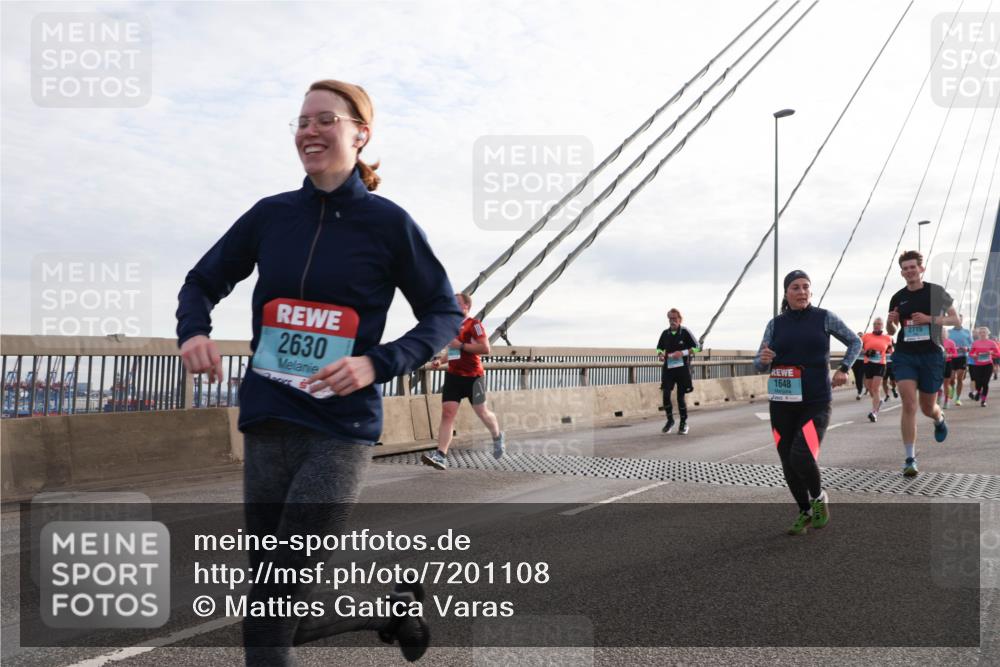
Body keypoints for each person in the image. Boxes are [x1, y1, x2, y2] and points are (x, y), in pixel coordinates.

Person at [177, 79, 462, 665]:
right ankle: (395, 611)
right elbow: (201, 281)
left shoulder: (389, 225)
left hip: (339, 431)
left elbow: (442, 313)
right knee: (278, 607)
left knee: (270, 607)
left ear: (361, 134)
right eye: (302, 121)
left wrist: (376, 363)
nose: (309, 131)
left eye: (324, 120)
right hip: (267, 423)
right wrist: (194, 332)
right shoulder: (270, 216)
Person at [754, 270, 861, 535]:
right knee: (787, 460)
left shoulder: (824, 318)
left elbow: (855, 341)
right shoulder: (775, 324)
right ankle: (804, 512)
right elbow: (758, 364)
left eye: (805, 287)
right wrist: (764, 360)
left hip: (816, 401)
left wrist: (844, 368)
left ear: (811, 292)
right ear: (786, 293)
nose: (801, 292)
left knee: (802, 454)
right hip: (782, 402)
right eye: (795, 288)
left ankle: (818, 498)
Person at [885, 250, 960, 477]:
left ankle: (939, 418)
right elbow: (892, 331)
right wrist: (891, 323)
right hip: (905, 354)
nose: (909, 271)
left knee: (927, 408)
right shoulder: (898, 297)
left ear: (921, 269)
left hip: (931, 355)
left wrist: (929, 319)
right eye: (905, 268)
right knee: (909, 404)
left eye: (913, 267)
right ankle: (910, 458)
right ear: (902, 272)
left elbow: (956, 320)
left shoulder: (936, 292)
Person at [422, 292, 505, 470]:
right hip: (454, 376)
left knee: (482, 412)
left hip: (474, 377)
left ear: (466, 307)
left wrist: (460, 345)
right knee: (447, 413)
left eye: (456, 302)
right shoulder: (452, 327)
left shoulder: (475, 325)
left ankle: (497, 436)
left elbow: (485, 348)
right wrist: (440, 361)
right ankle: (441, 455)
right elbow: (454, 352)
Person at [656, 308, 700, 435]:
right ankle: (670, 420)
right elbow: (659, 348)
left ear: (680, 319)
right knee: (665, 396)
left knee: (680, 397)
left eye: (674, 318)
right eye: (670, 318)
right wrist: (660, 355)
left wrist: (682, 352)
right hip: (668, 370)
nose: (672, 321)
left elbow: (698, 348)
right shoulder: (665, 333)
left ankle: (683, 423)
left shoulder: (685, 332)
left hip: (682, 370)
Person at [861, 319, 892, 422]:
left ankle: (874, 413)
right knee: (870, 388)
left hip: (880, 364)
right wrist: (866, 352)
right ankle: (879, 402)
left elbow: (891, 350)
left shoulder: (887, 338)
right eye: (875, 324)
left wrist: (892, 354)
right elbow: (859, 348)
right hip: (868, 363)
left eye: (879, 324)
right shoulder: (866, 336)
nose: (876, 325)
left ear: (882, 326)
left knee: (875, 388)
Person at [968, 326, 1000, 406]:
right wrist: (974, 355)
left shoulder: (992, 343)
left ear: (987, 334)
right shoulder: (975, 343)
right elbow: (970, 353)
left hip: (988, 365)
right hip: (978, 365)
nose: (982, 334)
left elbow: (998, 353)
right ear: (978, 334)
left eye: (984, 332)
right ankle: (978, 392)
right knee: (978, 383)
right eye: (981, 333)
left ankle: (983, 401)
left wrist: (991, 353)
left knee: (985, 383)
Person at [948, 318, 973, 406]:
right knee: (951, 379)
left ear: (961, 321)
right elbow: (944, 342)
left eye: (959, 319)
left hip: (962, 357)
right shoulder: (949, 332)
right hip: (951, 357)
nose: (957, 321)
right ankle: (952, 388)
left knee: (959, 378)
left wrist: (967, 348)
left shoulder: (967, 331)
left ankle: (958, 399)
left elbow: (972, 344)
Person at [940, 334, 958, 409]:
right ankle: (938, 395)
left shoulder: (951, 342)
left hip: (948, 363)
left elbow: (955, 354)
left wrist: (949, 355)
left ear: (946, 334)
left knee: (946, 384)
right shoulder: (935, 341)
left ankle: (946, 401)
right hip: (937, 364)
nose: (942, 334)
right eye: (941, 332)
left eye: (944, 332)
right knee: (937, 383)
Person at [851, 335, 866, 400]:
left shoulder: (866, 344)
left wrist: (864, 350)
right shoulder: (854, 343)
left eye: (861, 336)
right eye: (858, 336)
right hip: (854, 362)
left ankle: (860, 392)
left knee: (860, 376)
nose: (860, 337)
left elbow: (869, 352)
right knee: (857, 378)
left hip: (863, 362)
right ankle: (859, 390)